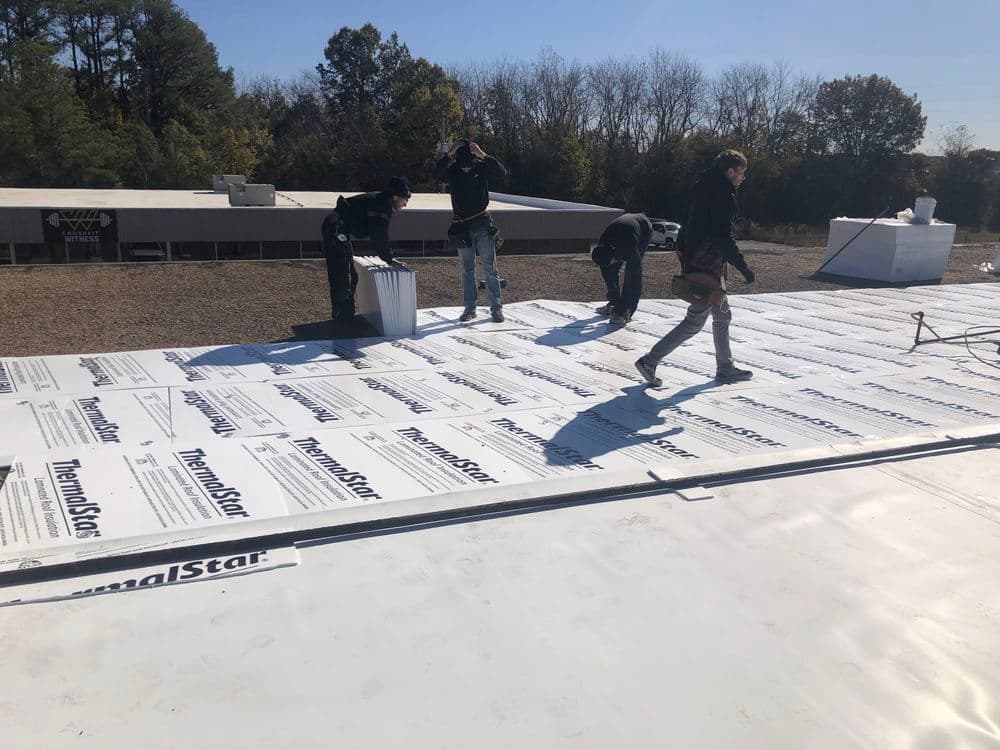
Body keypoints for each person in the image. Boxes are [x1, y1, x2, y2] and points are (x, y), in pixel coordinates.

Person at [634, 149, 757, 387]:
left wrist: (682, 249)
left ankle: (725, 367)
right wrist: (743, 267)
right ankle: (651, 360)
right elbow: (722, 236)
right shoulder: (724, 193)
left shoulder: (702, 186)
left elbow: (687, 222)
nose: (743, 178)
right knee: (696, 320)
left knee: (721, 315)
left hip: (696, 258)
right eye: (742, 173)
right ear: (730, 171)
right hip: (709, 264)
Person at [433, 139, 507, 322]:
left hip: (482, 222)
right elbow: (435, 174)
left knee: (490, 267)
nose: (466, 169)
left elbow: (501, 172)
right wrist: (449, 153)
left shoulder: (481, 168)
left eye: (468, 166)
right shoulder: (452, 171)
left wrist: (483, 154)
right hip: (461, 226)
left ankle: (496, 308)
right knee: (467, 268)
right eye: (463, 167)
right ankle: (469, 308)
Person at [320, 177, 411, 324]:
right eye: (404, 200)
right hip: (335, 229)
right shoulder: (381, 207)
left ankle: (345, 315)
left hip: (339, 229)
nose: (405, 204)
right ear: (395, 197)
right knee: (342, 276)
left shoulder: (381, 201)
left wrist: (388, 257)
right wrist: (389, 259)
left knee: (353, 276)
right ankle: (341, 319)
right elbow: (379, 236)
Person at [590, 212, 652, 326]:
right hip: (624, 227)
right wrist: (614, 300)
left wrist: (626, 310)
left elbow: (635, 279)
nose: (615, 263)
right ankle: (614, 305)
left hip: (643, 228)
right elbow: (606, 272)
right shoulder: (602, 245)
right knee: (609, 273)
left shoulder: (629, 246)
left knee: (630, 274)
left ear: (615, 255)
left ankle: (625, 313)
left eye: (614, 261)